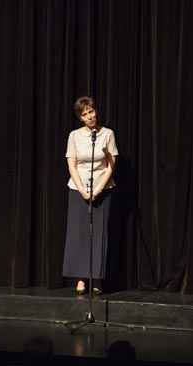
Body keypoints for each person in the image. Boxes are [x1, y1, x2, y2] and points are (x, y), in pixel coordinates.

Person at [62, 96, 118, 295]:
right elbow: (72, 165)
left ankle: (97, 279)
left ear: (95, 111)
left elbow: (111, 164)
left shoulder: (107, 134)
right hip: (79, 189)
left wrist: (100, 188)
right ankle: (80, 278)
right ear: (80, 118)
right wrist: (82, 190)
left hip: (103, 189)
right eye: (85, 114)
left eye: (91, 112)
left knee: (98, 234)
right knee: (79, 234)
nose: (90, 116)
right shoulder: (74, 136)